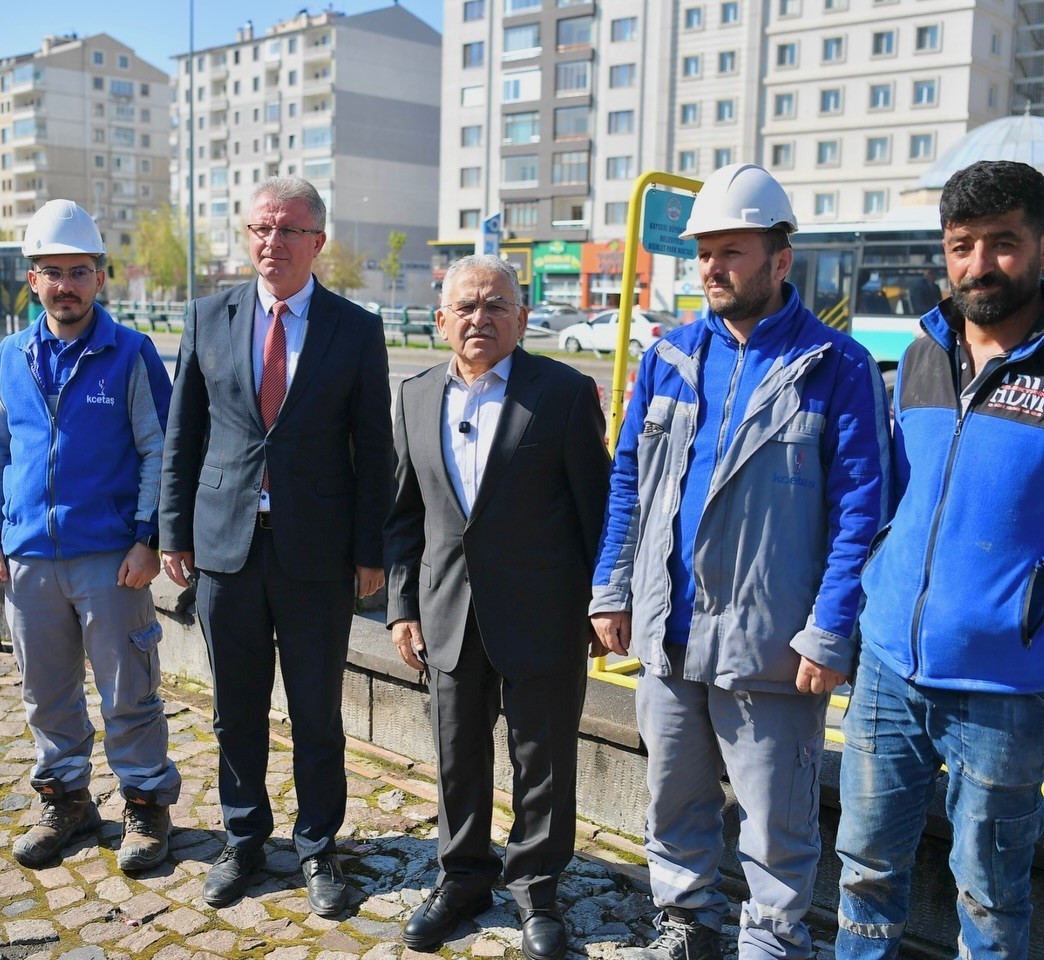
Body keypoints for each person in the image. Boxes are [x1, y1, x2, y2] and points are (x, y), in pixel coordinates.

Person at [834, 160, 1044, 960]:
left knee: (989, 899)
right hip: (885, 670)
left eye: (1002, 243)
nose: (978, 265)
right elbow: (884, 507)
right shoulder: (919, 354)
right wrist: (844, 619)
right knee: (864, 874)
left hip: (1007, 694)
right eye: (960, 246)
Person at [590, 162, 891, 960]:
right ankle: (685, 924)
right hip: (669, 632)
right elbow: (629, 481)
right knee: (673, 799)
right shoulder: (670, 356)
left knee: (776, 820)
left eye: (732, 251)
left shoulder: (837, 367)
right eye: (704, 254)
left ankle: (773, 942)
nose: (713, 269)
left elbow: (862, 512)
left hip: (772, 647)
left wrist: (830, 632)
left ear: (780, 260)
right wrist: (612, 587)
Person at [159, 176, 393, 912]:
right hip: (225, 548)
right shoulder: (207, 317)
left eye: (290, 230)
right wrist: (173, 532)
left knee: (317, 710)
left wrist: (370, 551)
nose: (273, 243)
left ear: (318, 242)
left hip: (317, 555)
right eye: (262, 228)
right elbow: (182, 436)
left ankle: (319, 846)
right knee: (234, 706)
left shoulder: (355, 330)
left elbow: (374, 447)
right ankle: (244, 837)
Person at [385, 255, 611, 959]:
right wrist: (402, 607)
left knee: (542, 759)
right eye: (466, 307)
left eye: (494, 306)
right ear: (443, 318)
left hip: (545, 611)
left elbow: (597, 511)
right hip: (448, 610)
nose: (479, 319)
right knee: (457, 756)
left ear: (520, 317)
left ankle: (537, 892)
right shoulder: (415, 395)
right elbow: (403, 516)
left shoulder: (566, 394)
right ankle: (463, 879)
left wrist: (602, 604)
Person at [0, 198, 180, 874]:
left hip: (111, 559)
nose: (66, 284)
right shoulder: (8, 359)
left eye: (80, 270)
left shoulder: (132, 355)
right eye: (52, 271)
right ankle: (65, 799)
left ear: (100, 277)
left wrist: (149, 536)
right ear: (32, 279)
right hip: (29, 559)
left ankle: (146, 808)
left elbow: (161, 451)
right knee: (46, 692)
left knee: (130, 692)